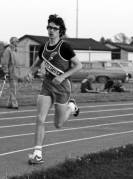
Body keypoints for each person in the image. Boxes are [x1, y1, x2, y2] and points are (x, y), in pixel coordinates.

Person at [24, 14, 83, 164]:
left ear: (60, 31)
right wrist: (30, 72)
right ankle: (38, 154)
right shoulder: (43, 47)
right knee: (39, 118)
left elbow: (78, 65)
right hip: (47, 85)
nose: (51, 30)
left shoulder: (65, 47)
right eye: (49, 27)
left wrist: (63, 76)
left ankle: (71, 106)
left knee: (58, 124)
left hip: (62, 88)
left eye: (54, 28)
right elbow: (37, 63)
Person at [1, 37, 22, 109]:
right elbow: (5, 62)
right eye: (16, 41)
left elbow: (17, 63)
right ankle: (14, 104)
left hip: (16, 73)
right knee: (13, 89)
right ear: (12, 42)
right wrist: (6, 72)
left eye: (18, 41)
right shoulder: (8, 50)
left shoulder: (15, 50)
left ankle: (9, 104)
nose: (18, 42)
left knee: (14, 88)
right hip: (11, 72)